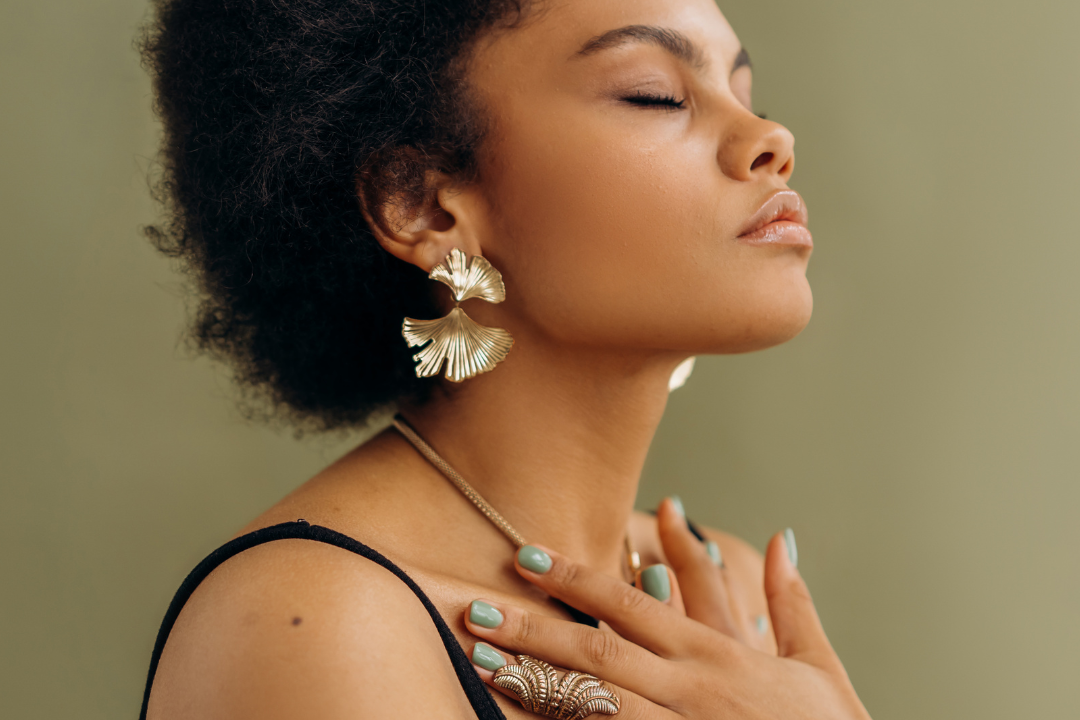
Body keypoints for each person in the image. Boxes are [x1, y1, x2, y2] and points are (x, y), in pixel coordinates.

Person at [139, 0, 871, 717]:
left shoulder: (732, 598)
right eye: (655, 96)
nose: (770, 135)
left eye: (744, 92)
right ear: (422, 204)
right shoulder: (318, 621)